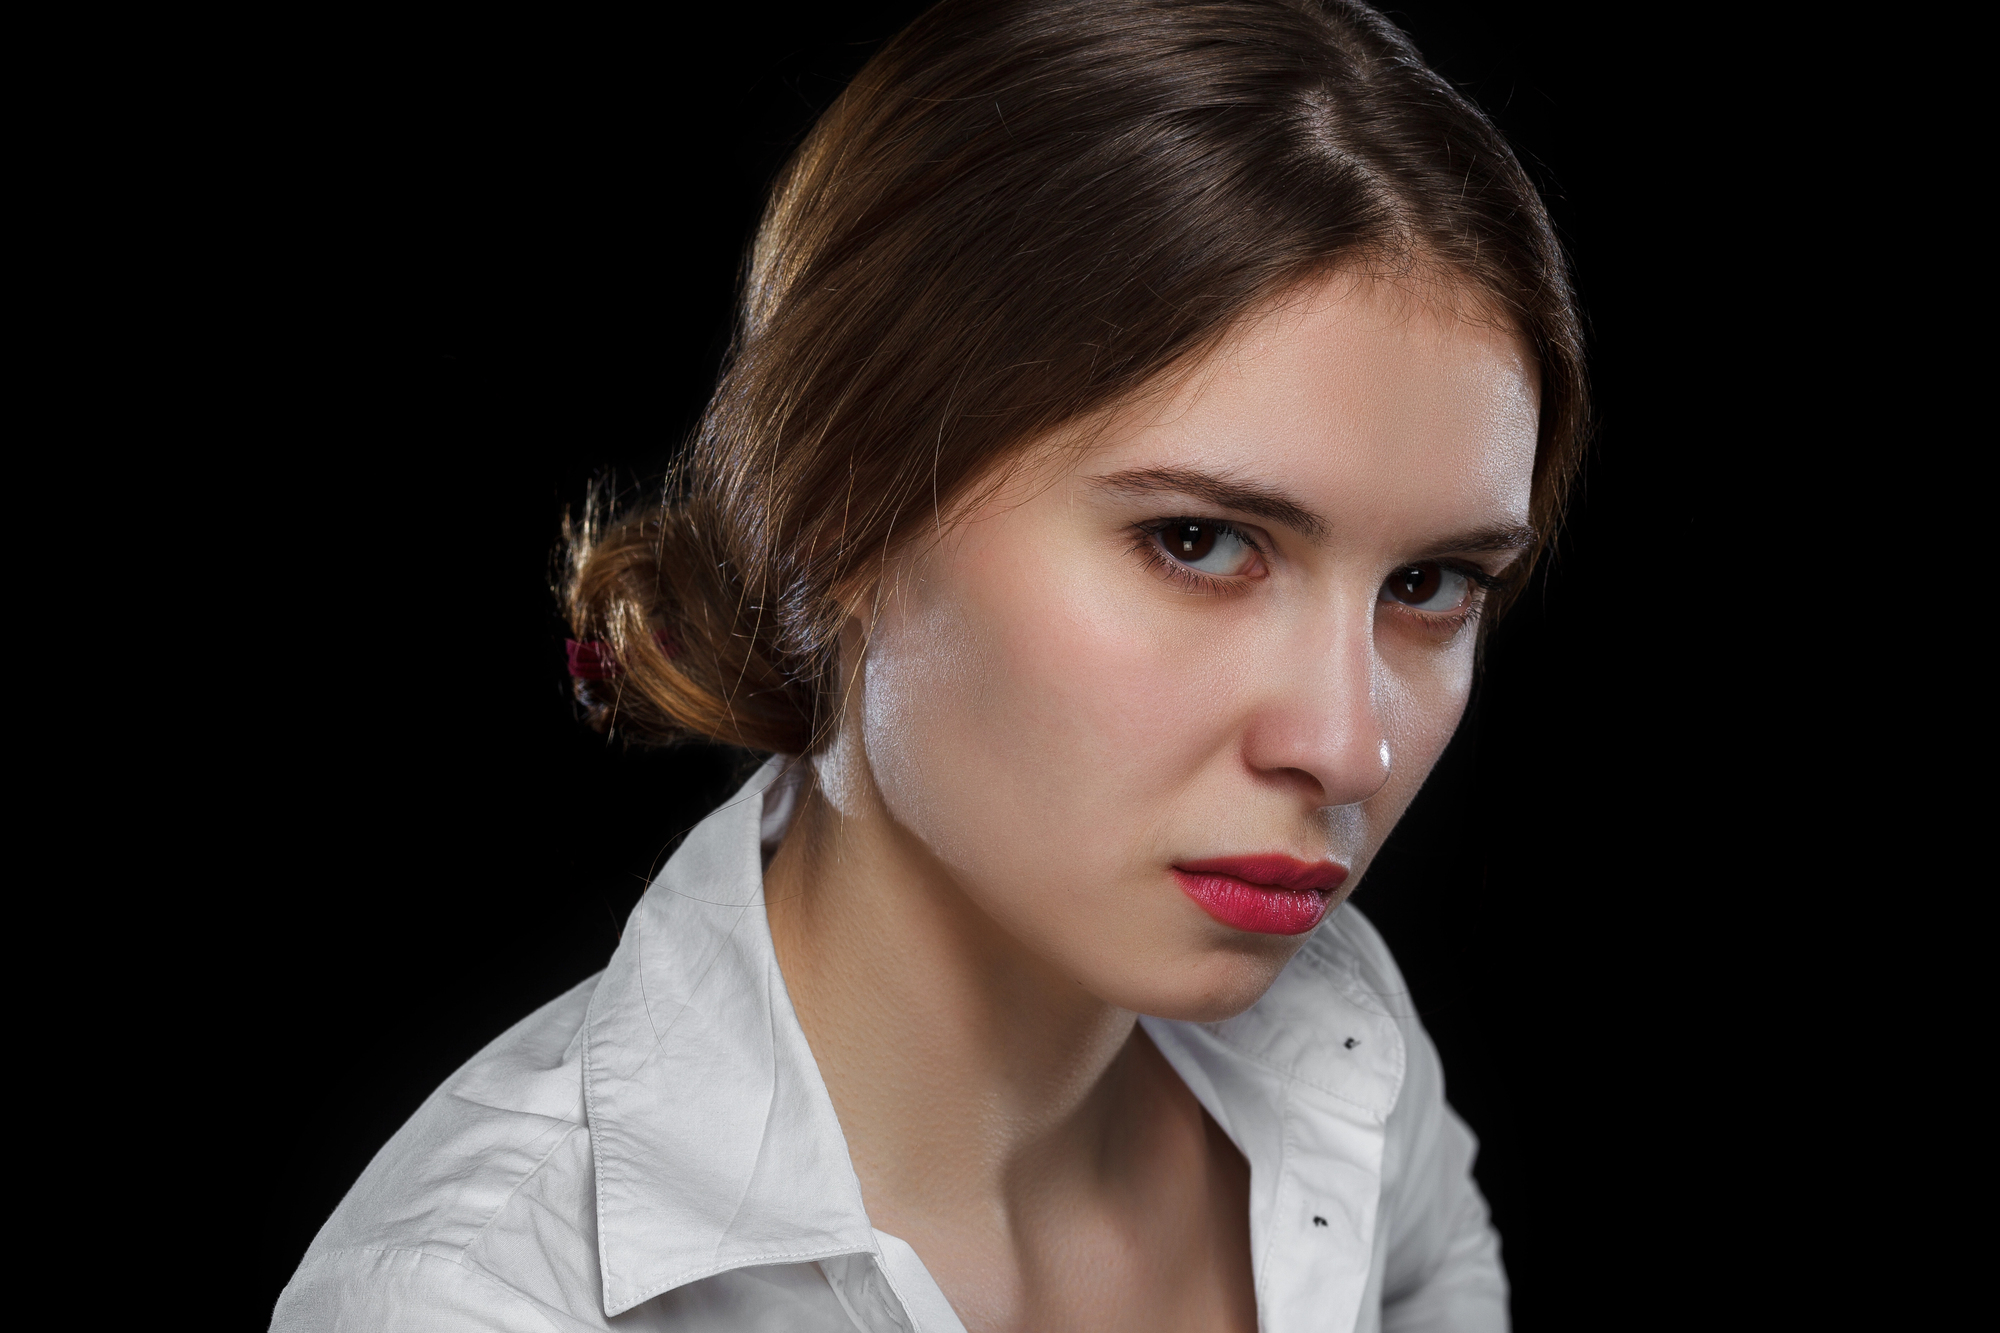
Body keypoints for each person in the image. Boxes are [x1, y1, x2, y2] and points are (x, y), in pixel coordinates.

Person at [272, 0, 1586, 1328]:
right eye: (1198, 540)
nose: (1348, 743)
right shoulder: (477, 1301)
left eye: (1431, 584)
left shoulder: (1350, 1062)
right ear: (839, 510)